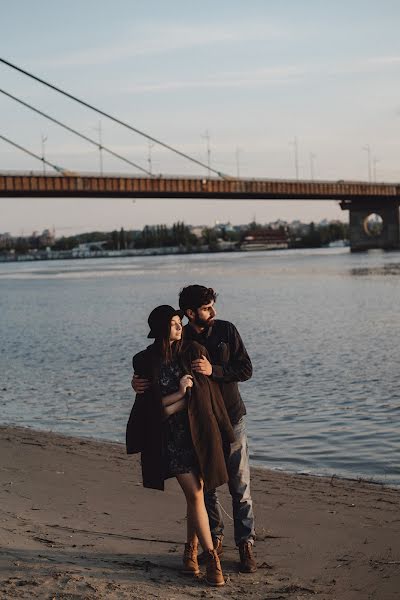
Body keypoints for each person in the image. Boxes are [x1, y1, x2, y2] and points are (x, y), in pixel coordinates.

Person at [132, 287, 257, 573]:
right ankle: (213, 540)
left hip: (230, 416)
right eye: (206, 308)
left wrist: (215, 371)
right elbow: (157, 370)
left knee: (240, 485)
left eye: (213, 306)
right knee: (207, 487)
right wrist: (137, 384)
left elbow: (246, 369)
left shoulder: (226, 331)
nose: (213, 312)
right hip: (197, 423)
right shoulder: (181, 339)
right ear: (190, 313)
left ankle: (245, 545)